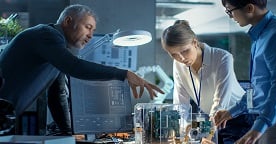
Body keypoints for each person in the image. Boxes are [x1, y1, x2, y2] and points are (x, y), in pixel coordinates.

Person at [0, 4, 164, 135]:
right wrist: (124, 74)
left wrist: (68, 133)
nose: (91, 35)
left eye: (93, 30)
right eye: (87, 27)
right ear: (68, 21)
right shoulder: (47, 35)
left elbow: (57, 95)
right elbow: (75, 67)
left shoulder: (56, 49)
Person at [214, 0, 276, 144]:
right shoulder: (261, 36)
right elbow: (258, 90)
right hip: (271, 123)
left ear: (249, 8)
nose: (230, 16)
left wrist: (259, 127)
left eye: (230, 11)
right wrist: (231, 112)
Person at [161, 20, 256, 144]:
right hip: (210, 121)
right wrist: (181, 133)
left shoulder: (222, 57)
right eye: (174, 54)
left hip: (237, 118)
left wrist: (208, 135)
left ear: (194, 42)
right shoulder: (178, 64)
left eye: (185, 51)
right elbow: (180, 104)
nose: (181, 58)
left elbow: (220, 103)